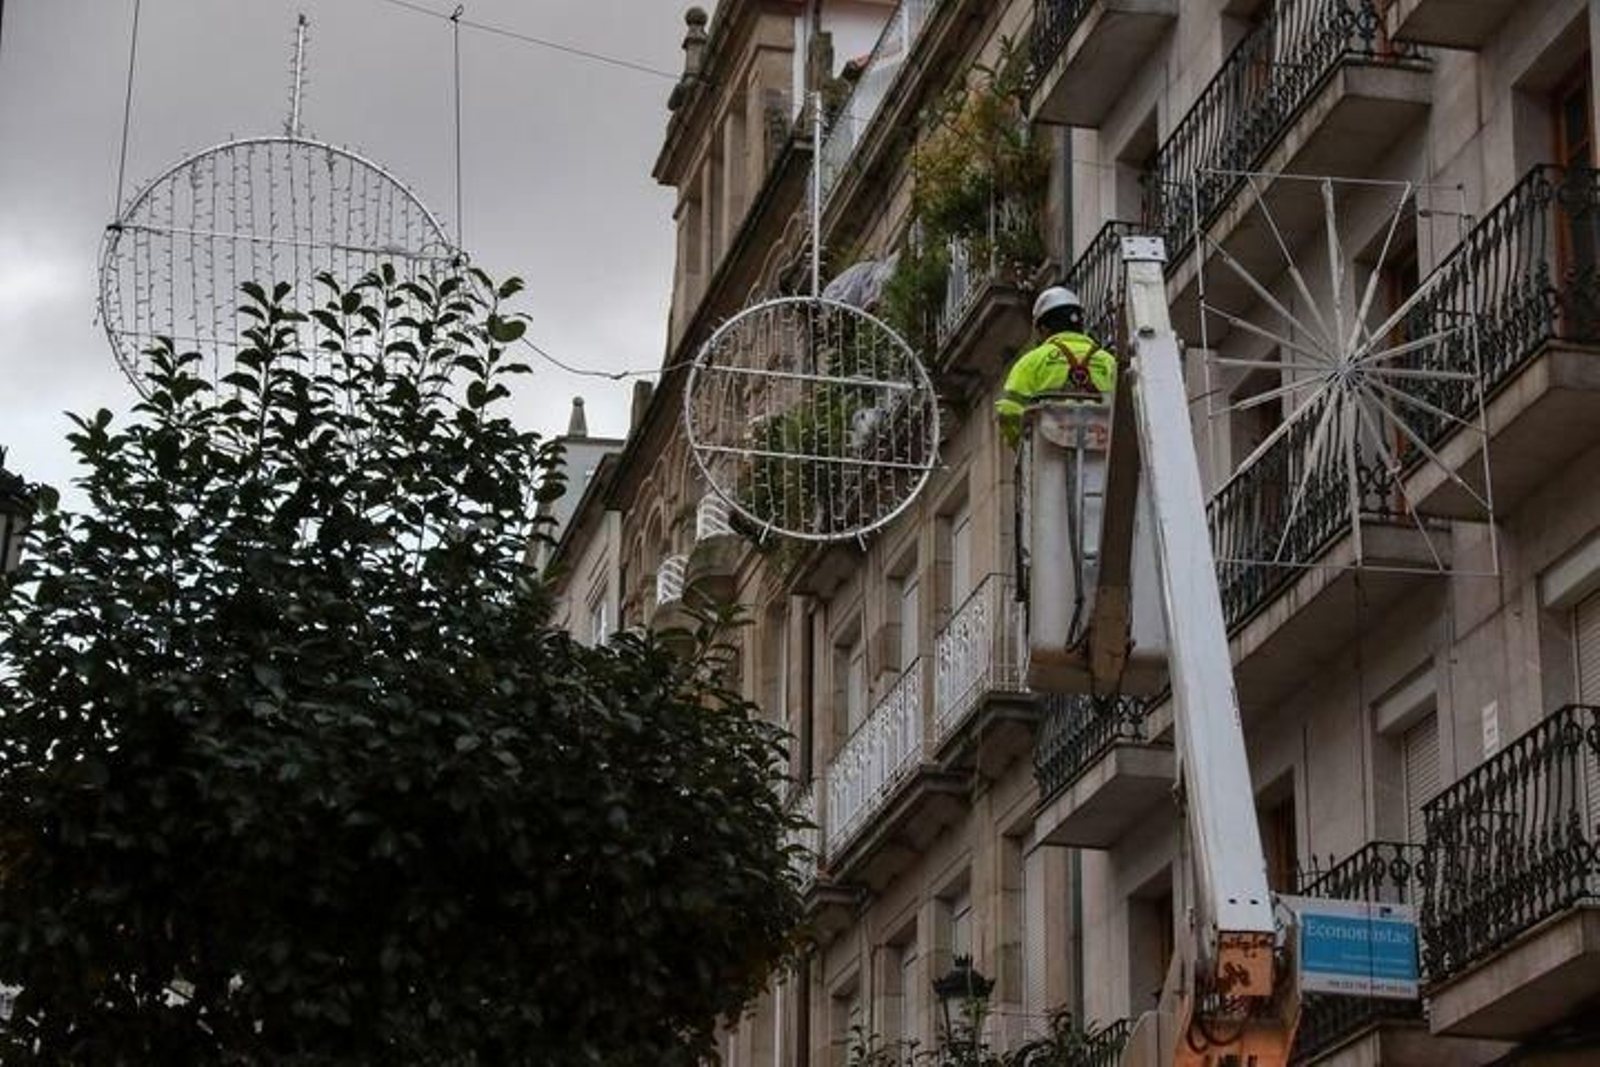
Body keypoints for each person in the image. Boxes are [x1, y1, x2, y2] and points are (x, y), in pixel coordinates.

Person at [995, 286, 1117, 447]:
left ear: (1043, 329)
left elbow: (1008, 410)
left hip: (1048, 454)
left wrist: (1022, 446)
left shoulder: (1031, 362)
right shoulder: (1108, 361)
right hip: (1103, 456)